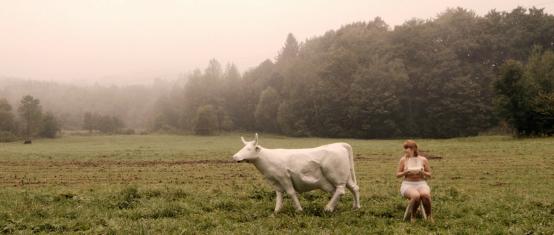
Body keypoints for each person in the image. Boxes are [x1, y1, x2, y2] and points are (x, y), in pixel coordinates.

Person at [396, 140, 433, 222]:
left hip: (421, 183)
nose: (406, 150)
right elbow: (397, 175)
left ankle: (429, 216)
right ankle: (413, 216)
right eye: (405, 148)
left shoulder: (423, 159)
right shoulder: (403, 160)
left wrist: (422, 172)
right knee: (416, 196)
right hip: (407, 184)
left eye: (409, 148)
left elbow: (429, 174)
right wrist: (405, 172)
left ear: (414, 149)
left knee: (425, 195)